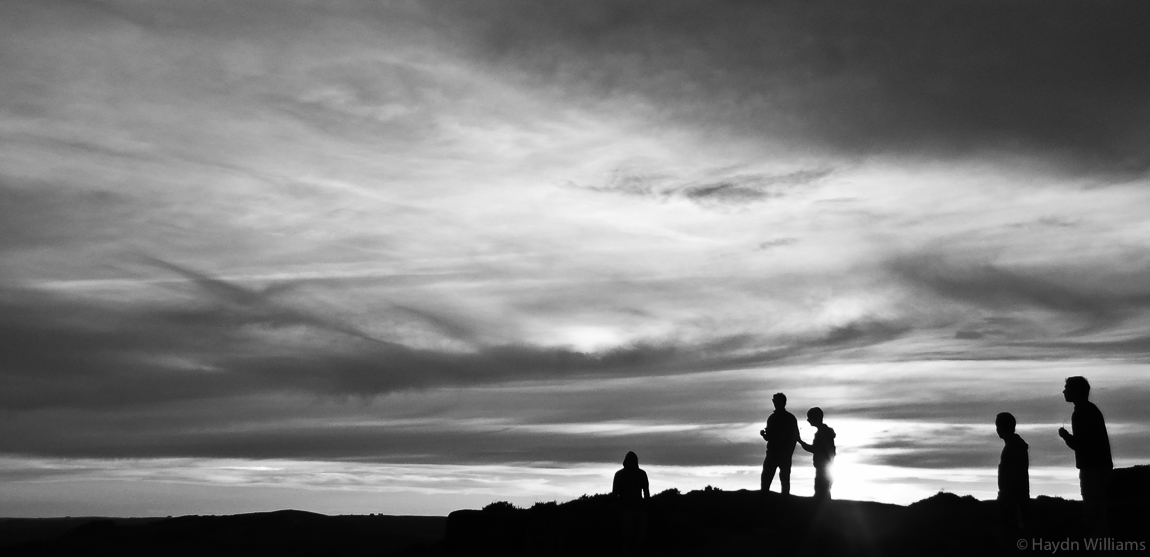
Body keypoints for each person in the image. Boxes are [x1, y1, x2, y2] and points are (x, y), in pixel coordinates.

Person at [1057, 376, 1112, 536]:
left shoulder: (1081, 412)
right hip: (1100, 468)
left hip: (1092, 470)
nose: (1064, 391)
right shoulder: (1090, 409)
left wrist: (1065, 436)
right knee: (1098, 515)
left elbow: (1081, 444)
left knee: (1094, 516)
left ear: (1076, 391)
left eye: (1067, 388)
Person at [760, 392, 800, 496]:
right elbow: (796, 437)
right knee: (777, 480)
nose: (775, 403)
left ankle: (773, 501)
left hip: (776, 454)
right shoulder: (787, 418)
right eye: (774, 401)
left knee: (775, 480)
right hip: (779, 454)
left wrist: (764, 435)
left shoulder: (774, 418)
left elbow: (795, 437)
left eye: (776, 401)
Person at [995, 412, 1029, 532]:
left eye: (998, 426)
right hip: (1014, 498)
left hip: (1012, 499)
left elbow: (1013, 476)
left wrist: (1005, 497)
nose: (997, 429)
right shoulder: (1015, 445)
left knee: (1011, 532)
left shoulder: (1013, 447)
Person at [612, 451, 650, 555]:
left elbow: (615, 495)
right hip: (635, 511)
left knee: (628, 540)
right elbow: (646, 493)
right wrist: (647, 509)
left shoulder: (619, 475)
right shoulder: (641, 474)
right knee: (637, 540)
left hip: (628, 511)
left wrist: (615, 511)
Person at [797, 407, 836, 501]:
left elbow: (815, 449)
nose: (808, 420)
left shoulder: (822, 433)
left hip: (823, 466)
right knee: (824, 492)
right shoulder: (824, 432)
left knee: (821, 493)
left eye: (809, 417)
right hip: (825, 466)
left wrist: (800, 441)